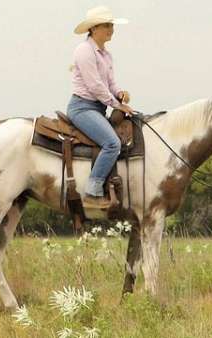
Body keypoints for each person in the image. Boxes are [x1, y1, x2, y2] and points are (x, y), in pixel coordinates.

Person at [67, 6, 135, 209]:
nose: (111, 29)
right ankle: (92, 190)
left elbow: (109, 83)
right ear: (94, 28)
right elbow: (95, 86)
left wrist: (120, 93)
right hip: (82, 108)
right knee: (112, 143)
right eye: (107, 25)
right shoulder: (84, 51)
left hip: (97, 108)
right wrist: (118, 106)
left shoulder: (105, 55)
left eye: (112, 25)